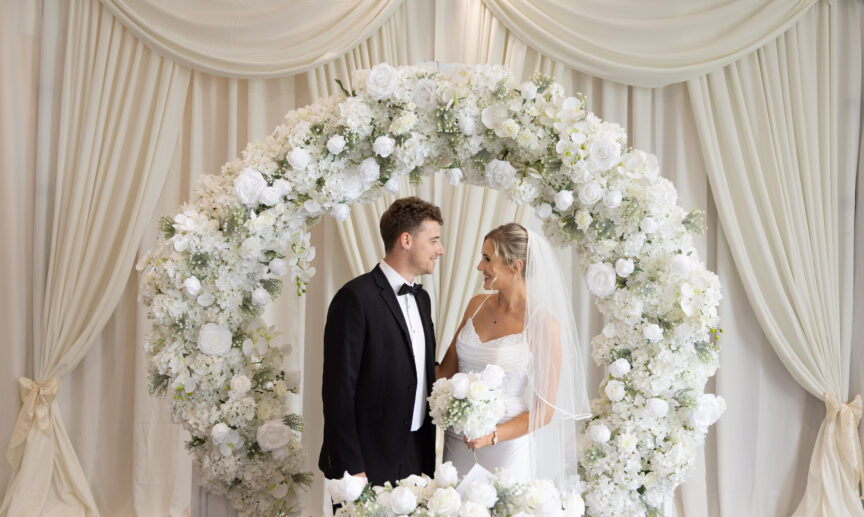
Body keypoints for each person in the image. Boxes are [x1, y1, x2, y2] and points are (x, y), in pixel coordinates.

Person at [437, 223, 591, 485]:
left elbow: (545, 411)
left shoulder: (542, 323)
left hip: (505, 449)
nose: (479, 267)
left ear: (515, 266)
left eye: (487, 259)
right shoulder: (476, 305)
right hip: (458, 440)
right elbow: (445, 373)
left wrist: (492, 435)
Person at [319, 197, 444, 487]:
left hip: (415, 456)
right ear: (406, 240)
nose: (440, 249)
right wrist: (354, 468)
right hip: (366, 460)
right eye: (434, 240)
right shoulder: (354, 298)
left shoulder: (422, 299)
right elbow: (338, 391)